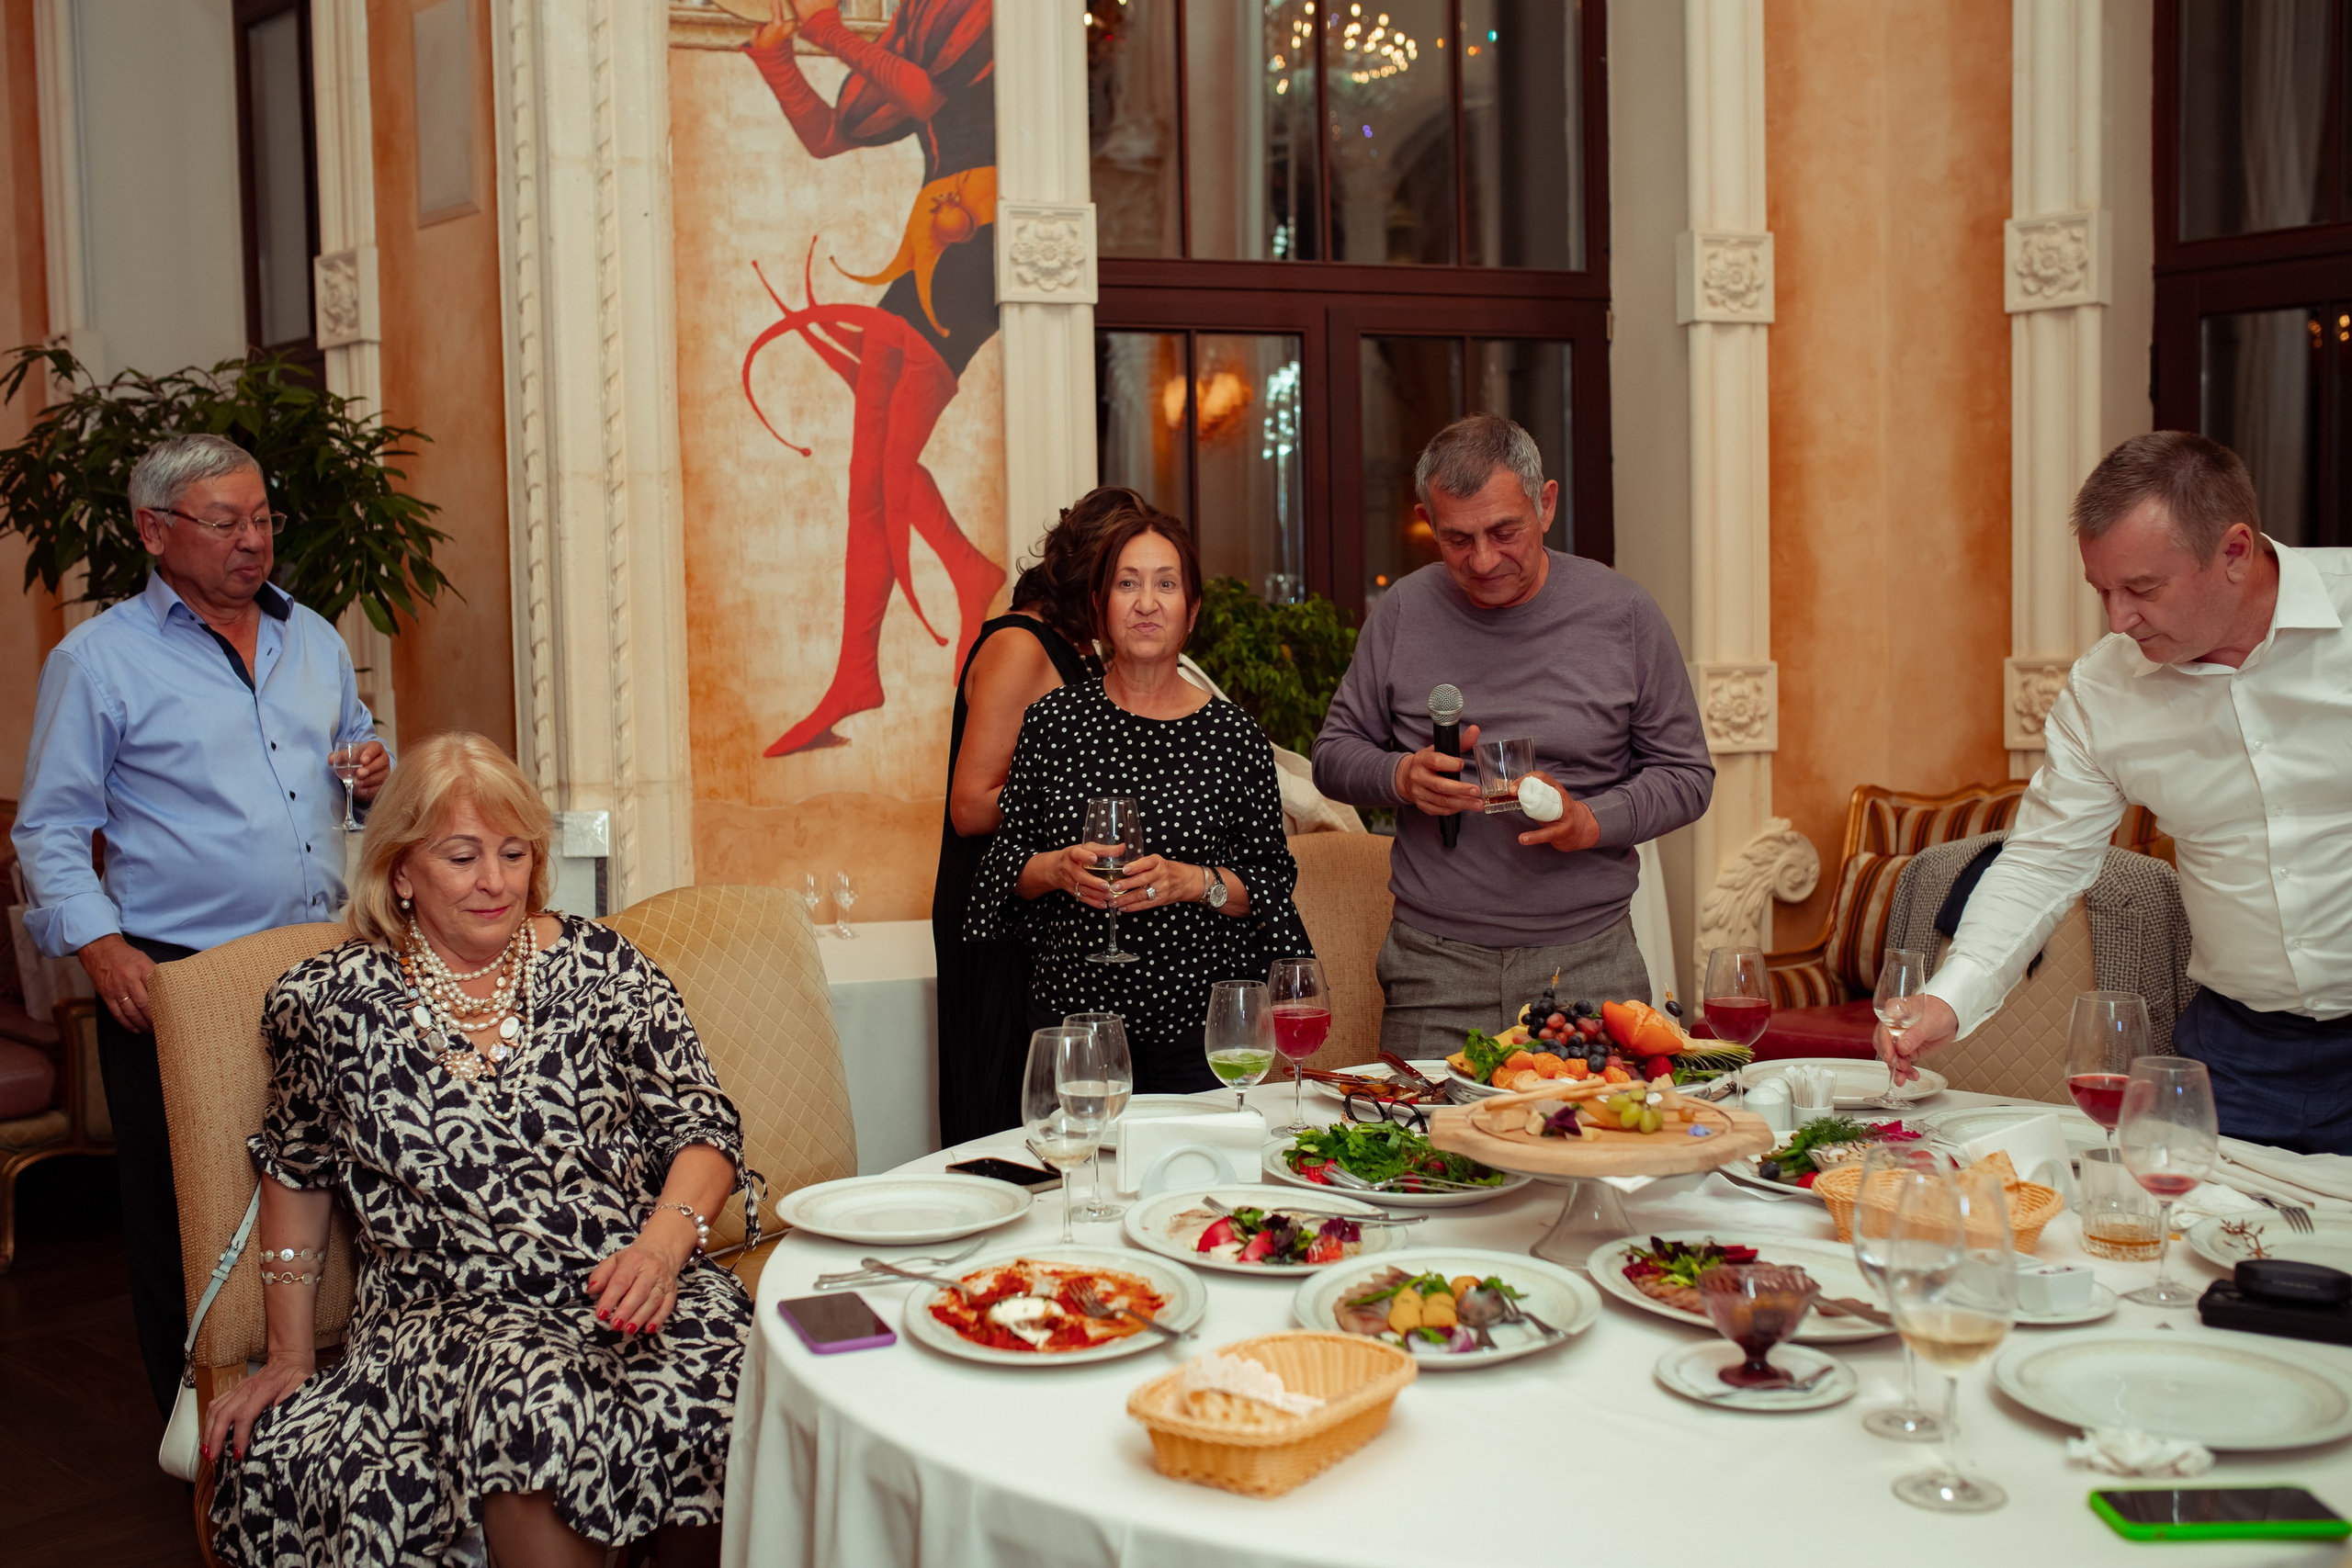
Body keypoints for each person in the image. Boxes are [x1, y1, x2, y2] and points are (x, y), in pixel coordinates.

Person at [203, 732, 749, 1567]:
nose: (495, 881)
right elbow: (298, 1168)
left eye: (514, 852)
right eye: (461, 856)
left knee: (736, 1365)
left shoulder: (605, 966)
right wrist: (288, 1350)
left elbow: (703, 1125)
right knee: (537, 1400)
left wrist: (663, 1247)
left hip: (627, 1280)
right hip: (449, 1317)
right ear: (400, 870)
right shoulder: (330, 1001)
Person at [11, 433, 390, 1419]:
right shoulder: (96, 661)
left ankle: (335, 1402)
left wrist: (369, 777)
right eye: (226, 523)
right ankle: (201, 1431)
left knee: (336, 1188)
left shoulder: (313, 636)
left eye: (261, 518)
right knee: (195, 1213)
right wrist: (102, 947)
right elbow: (49, 828)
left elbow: (349, 773)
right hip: (182, 976)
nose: (253, 541)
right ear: (154, 529)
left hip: (320, 963)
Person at [1884, 432, 2352, 1156]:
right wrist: (1950, 996)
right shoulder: (2107, 688)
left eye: (2141, 588)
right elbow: (2044, 859)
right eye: (2102, 589)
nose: (2117, 619)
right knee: (2205, 1248)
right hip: (2236, 1054)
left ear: (2233, 552)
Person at [1312, 414, 1714, 1057]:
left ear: (1546, 503)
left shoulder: (1624, 614)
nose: (1483, 559)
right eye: (1456, 538)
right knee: (1423, 1156)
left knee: (1588, 1151)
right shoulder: (1403, 613)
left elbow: (1689, 776)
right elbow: (1333, 756)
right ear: (1427, 519)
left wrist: (1593, 819)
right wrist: (1400, 777)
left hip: (1589, 960)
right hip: (1433, 968)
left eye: (1505, 531)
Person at [966, 501, 1312, 1094]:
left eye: (1166, 584)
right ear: (1100, 607)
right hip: (1076, 1023)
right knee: (1081, 1180)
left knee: (1200, 1186)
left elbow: (1271, 883)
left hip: (1203, 1033)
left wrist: (1191, 881)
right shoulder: (1054, 721)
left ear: (1191, 611)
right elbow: (1004, 866)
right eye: (1127, 583)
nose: (1146, 602)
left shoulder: (1235, 736)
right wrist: (1054, 868)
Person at [742, 0, 1005, 754]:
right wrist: (779, 59)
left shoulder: (979, 14)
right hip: (936, 246)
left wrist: (828, 32)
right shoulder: (917, 29)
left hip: (972, 250)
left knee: (883, 459)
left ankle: (962, 575)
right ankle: (862, 665)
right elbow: (830, 136)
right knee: (871, 466)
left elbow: (924, 95)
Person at [933, 490, 1127, 1145]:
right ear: (1091, 577)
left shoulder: (1073, 644)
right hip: (997, 911)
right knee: (1004, 1103)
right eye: (1124, 579)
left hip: (1045, 900)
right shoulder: (1021, 644)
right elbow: (969, 804)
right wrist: (1077, 808)